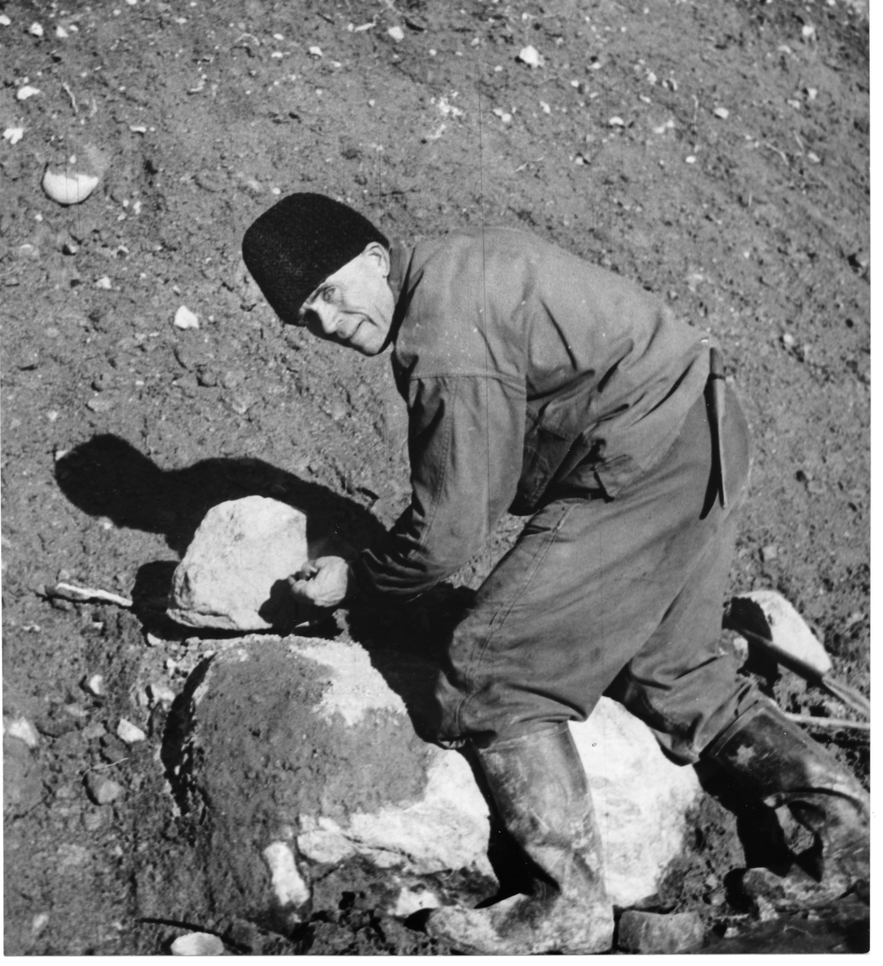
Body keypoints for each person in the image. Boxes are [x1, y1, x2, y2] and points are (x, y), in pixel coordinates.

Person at [242, 192, 869, 954]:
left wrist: (364, 581)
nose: (328, 322)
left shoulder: (443, 334)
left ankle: (565, 905)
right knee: (675, 672)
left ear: (374, 258)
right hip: (705, 428)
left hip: (642, 461)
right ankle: (848, 838)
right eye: (307, 318)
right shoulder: (455, 269)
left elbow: (450, 529)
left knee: (492, 668)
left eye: (329, 294)